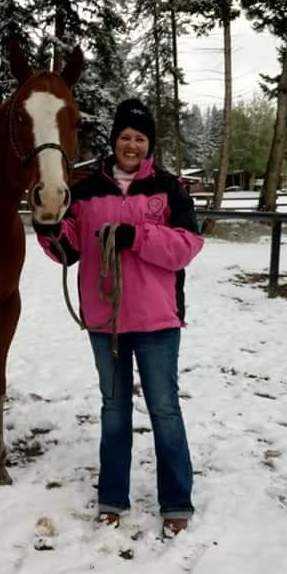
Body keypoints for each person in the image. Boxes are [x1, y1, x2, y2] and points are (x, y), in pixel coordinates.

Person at [33, 98, 203, 536]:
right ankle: (112, 496)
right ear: (114, 141)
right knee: (113, 409)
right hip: (104, 321)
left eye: (139, 138)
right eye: (125, 137)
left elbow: (187, 245)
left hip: (157, 321)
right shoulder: (86, 189)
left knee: (164, 409)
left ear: (149, 145)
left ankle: (176, 501)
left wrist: (137, 236)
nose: (131, 144)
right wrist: (48, 229)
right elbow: (69, 249)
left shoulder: (168, 189)